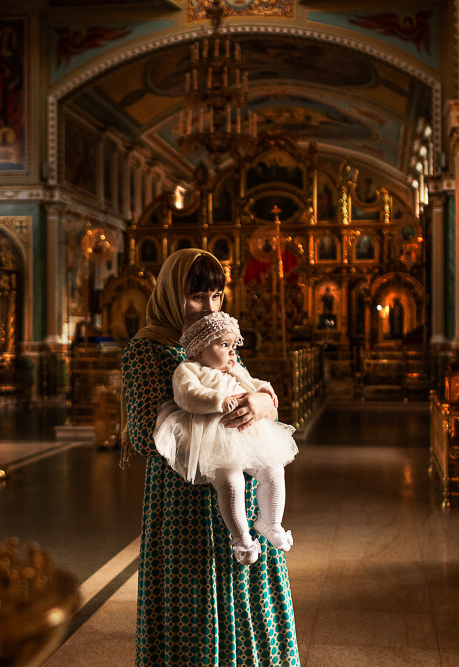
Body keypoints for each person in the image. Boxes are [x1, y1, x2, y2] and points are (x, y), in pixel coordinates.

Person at [121, 248, 299, 665]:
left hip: (243, 485)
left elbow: (261, 394)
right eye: (197, 296)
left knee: (249, 577)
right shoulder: (148, 350)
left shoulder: (218, 337)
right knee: (196, 594)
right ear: (171, 292)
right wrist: (214, 420)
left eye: (215, 296)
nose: (208, 307)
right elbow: (145, 436)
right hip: (184, 496)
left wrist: (258, 406)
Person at [153, 310, 296, 565]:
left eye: (233, 344)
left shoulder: (233, 367)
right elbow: (188, 396)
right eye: (224, 344)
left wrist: (264, 390)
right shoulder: (188, 369)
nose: (232, 352)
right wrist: (219, 400)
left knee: (273, 471)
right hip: (212, 439)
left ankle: (271, 522)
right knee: (231, 484)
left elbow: (252, 381)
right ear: (197, 349)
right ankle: (242, 539)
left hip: (248, 436)